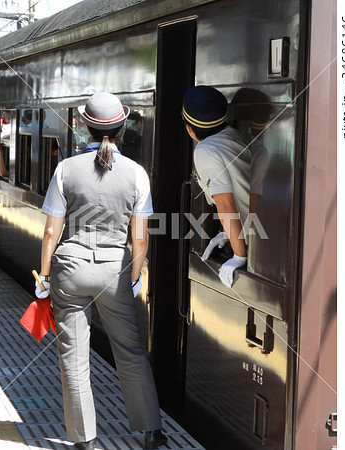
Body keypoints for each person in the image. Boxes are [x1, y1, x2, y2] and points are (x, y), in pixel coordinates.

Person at [35, 92, 168, 450]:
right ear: (124, 127)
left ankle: (84, 440)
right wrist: (136, 276)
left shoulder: (65, 169)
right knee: (131, 350)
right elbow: (140, 240)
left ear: (84, 126)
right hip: (115, 272)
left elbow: (52, 230)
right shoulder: (137, 175)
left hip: (70, 271)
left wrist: (45, 278)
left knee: (74, 358)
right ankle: (151, 431)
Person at [182, 85, 268, 288]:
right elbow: (253, 197)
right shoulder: (239, 138)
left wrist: (238, 256)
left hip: (249, 244)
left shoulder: (205, 150)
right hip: (260, 238)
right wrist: (231, 233)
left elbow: (225, 204)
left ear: (190, 129)